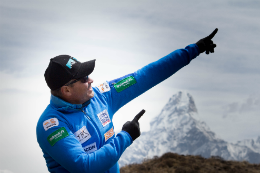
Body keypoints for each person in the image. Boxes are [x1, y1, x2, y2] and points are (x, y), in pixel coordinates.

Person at [36, 28, 218, 173]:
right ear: (66, 90)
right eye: (83, 78)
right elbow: (85, 167)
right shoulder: (51, 125)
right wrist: (126, 136)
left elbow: (145, 76)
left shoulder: (101, 96)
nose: (91, 80)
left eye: (88, 74)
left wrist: (192, 51)